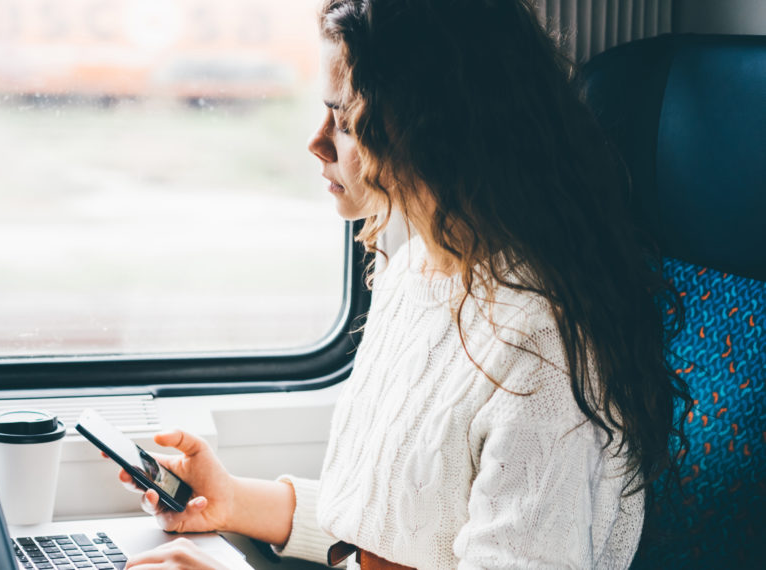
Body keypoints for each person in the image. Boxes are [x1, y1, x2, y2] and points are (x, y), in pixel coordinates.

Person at [120, 0, 690, 568]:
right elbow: (390, 534)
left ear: (428, 129)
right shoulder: (418, 271)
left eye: (344, 121)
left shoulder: (544, 349)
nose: (317, 143)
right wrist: (233, 501)